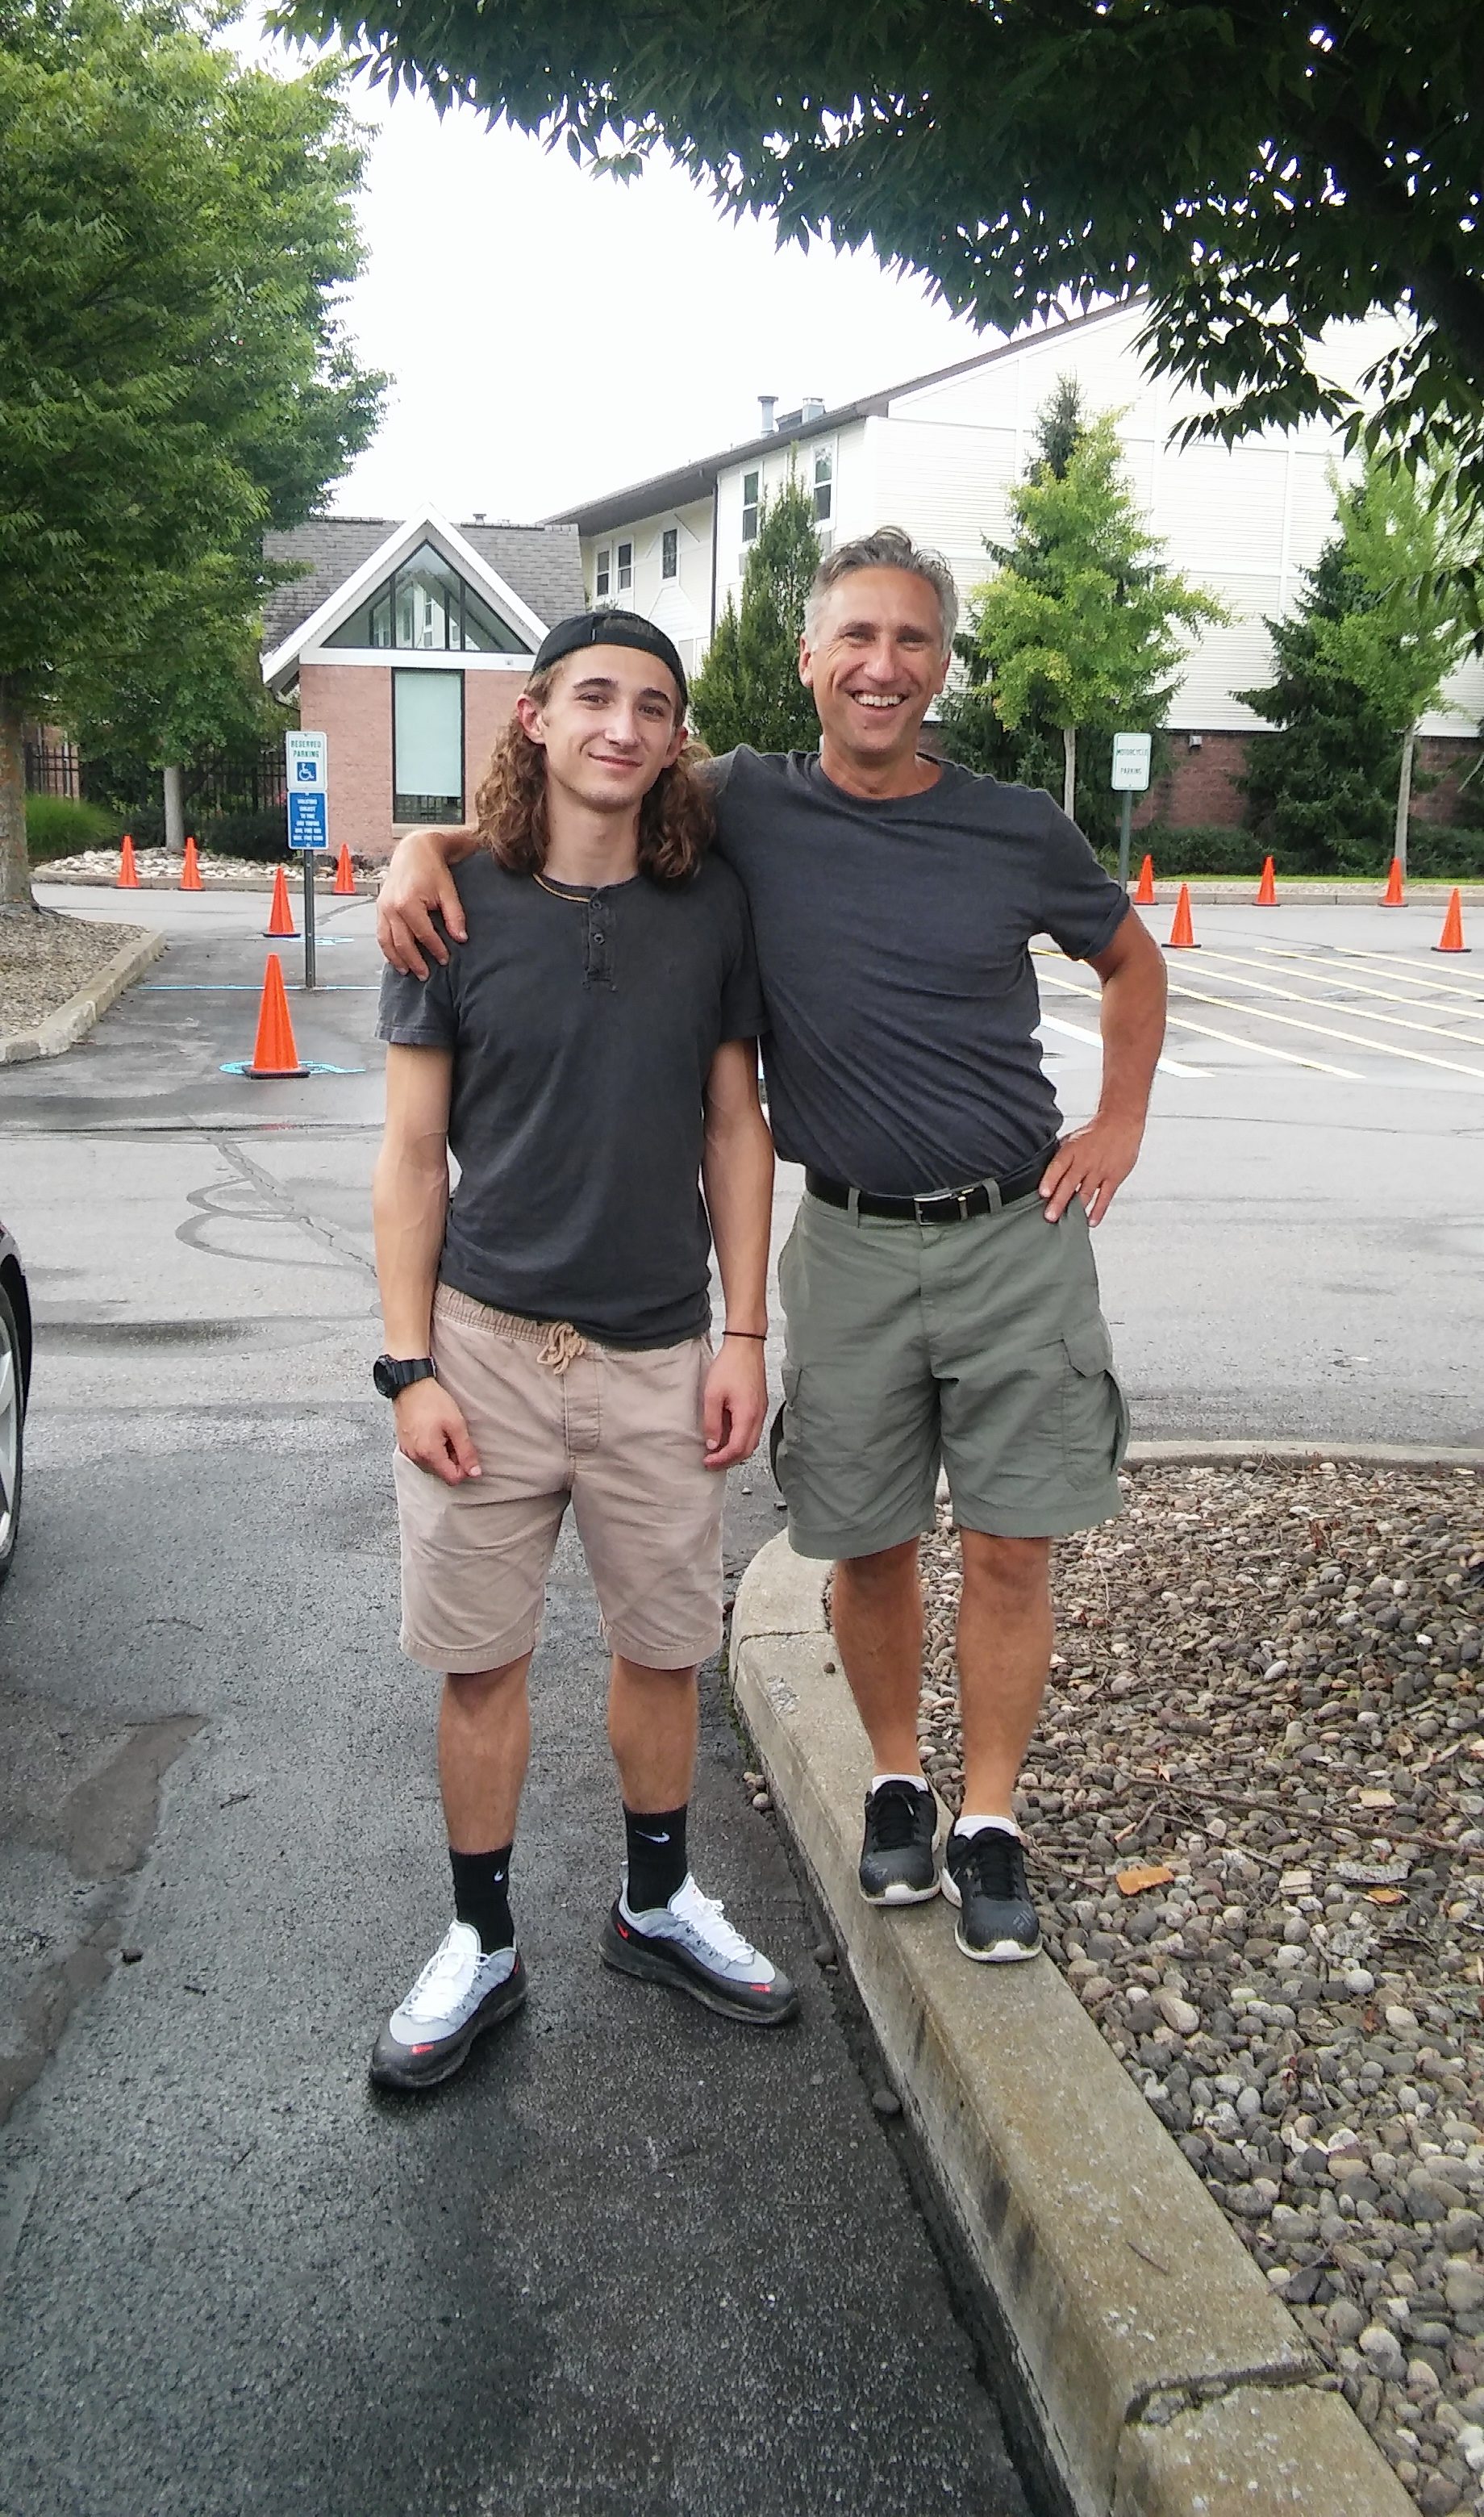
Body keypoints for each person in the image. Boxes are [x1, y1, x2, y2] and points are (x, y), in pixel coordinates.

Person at [377, 531, 1168, 1972]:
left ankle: (989, 1818)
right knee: (865, 1539)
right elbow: (571, 805)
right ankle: (894, 1781)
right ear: (807, 660)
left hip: (1015, 1232)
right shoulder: (746, 800)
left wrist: (1116, 1120)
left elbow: (1132, 959)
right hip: (844, 1241)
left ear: (942, 665)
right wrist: (420, 848)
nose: (883, 666)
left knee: (1010, 1544)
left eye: (913, 640)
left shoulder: (1013, 828)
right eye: (856, 636)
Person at [369, 607, 795, 2093]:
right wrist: (409, 1367)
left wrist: (746, 1332)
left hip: (660, 1351)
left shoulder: (711, 904)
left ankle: (656, 1903)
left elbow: (736, 1127)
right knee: (480, 1662)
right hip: (484, 1347)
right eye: (595, 697)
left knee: (663, 1650)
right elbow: (410, 1156)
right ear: (536, 716)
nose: (624, 726)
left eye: (654, 706)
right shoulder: (449, 908)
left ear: (678, 740)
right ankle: (480, 1939)